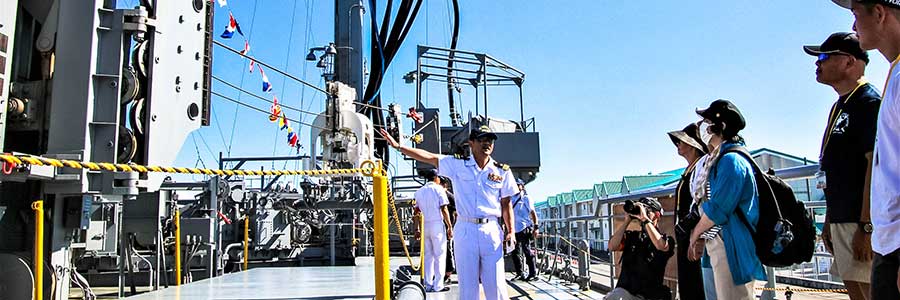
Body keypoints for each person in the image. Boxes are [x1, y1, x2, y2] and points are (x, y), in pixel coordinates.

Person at [379, 125, 518, 300]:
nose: (487, 144)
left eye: (490, 140)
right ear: (471, 143)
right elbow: (430, 157)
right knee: (468, 287)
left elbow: (506, 204)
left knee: (497, 287)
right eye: (482, 140)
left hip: (491, 230)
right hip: (465, 229)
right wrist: (399, 146)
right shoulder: (458, 165)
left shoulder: (502, 171)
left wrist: (511, 231)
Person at [804, 31, 880, 300]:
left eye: (823, 57)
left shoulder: (869, 103)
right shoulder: (840, 106)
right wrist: (828, 221)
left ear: (849, 61)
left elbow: (875, 167)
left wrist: (867, 226)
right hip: (841, 219)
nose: (817, 63)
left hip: (861, 223)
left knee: (871, 291)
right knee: (855, 292)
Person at [834, 1, 900, 298]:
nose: (853, 26)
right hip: (889, 245)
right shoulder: (895, 75)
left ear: (879, 12)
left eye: (855, 14)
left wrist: (866, 226)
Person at [688, 99, 766, 300]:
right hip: (720, 242)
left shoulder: (732, 161)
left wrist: (696, 233)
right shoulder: (719, 159)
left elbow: (718, 209)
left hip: (731, 247)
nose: (700, 127)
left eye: (705, 121)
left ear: (720, 126)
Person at [668, 122, 709, 300]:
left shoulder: (701, 168)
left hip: (695, 234)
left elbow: (703, 204)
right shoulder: (690, 170)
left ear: (693, 144)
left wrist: (699, 236)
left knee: (696, 285)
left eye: (681, 141)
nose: (678, 145)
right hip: (686, 235)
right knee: (688, 283)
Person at [605, 197, 674, 300]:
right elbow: (612, 246)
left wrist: (645, 219)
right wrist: (626, 221)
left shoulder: (666, 240)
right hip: (625, 291)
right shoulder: (632, 236)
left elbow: (661, 245)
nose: (642, 213)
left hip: (649, 295)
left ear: (657, 215)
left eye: (647, 211)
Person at [413, 169, 454, 292]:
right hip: (437, 224)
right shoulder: (439, 190)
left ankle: (428, 284)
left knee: (428, 256)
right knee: (440, 256)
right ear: (436, 178)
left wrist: (417, 229)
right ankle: (438, 285)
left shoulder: (419, 192)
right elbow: (444, 209)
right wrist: (450, 226)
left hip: (425, 225)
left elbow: (416, 212)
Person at [510, 178, 539, 281]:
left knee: (527, 250)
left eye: (518, 185)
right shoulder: (511, 199)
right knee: (514, 251)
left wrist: (536, 227)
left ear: (522, 186)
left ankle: (533, 273)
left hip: (524, 227)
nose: (516, 187)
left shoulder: (526, 198)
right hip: (514, 228)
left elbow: (533, 213)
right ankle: (519, 273)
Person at [440, 176, 458, 285]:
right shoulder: (438, 195)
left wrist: (451, 227)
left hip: (447, 228)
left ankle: (448, 273)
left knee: (448, 250)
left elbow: (456, 212)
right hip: (439, 226)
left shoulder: (450, 196)